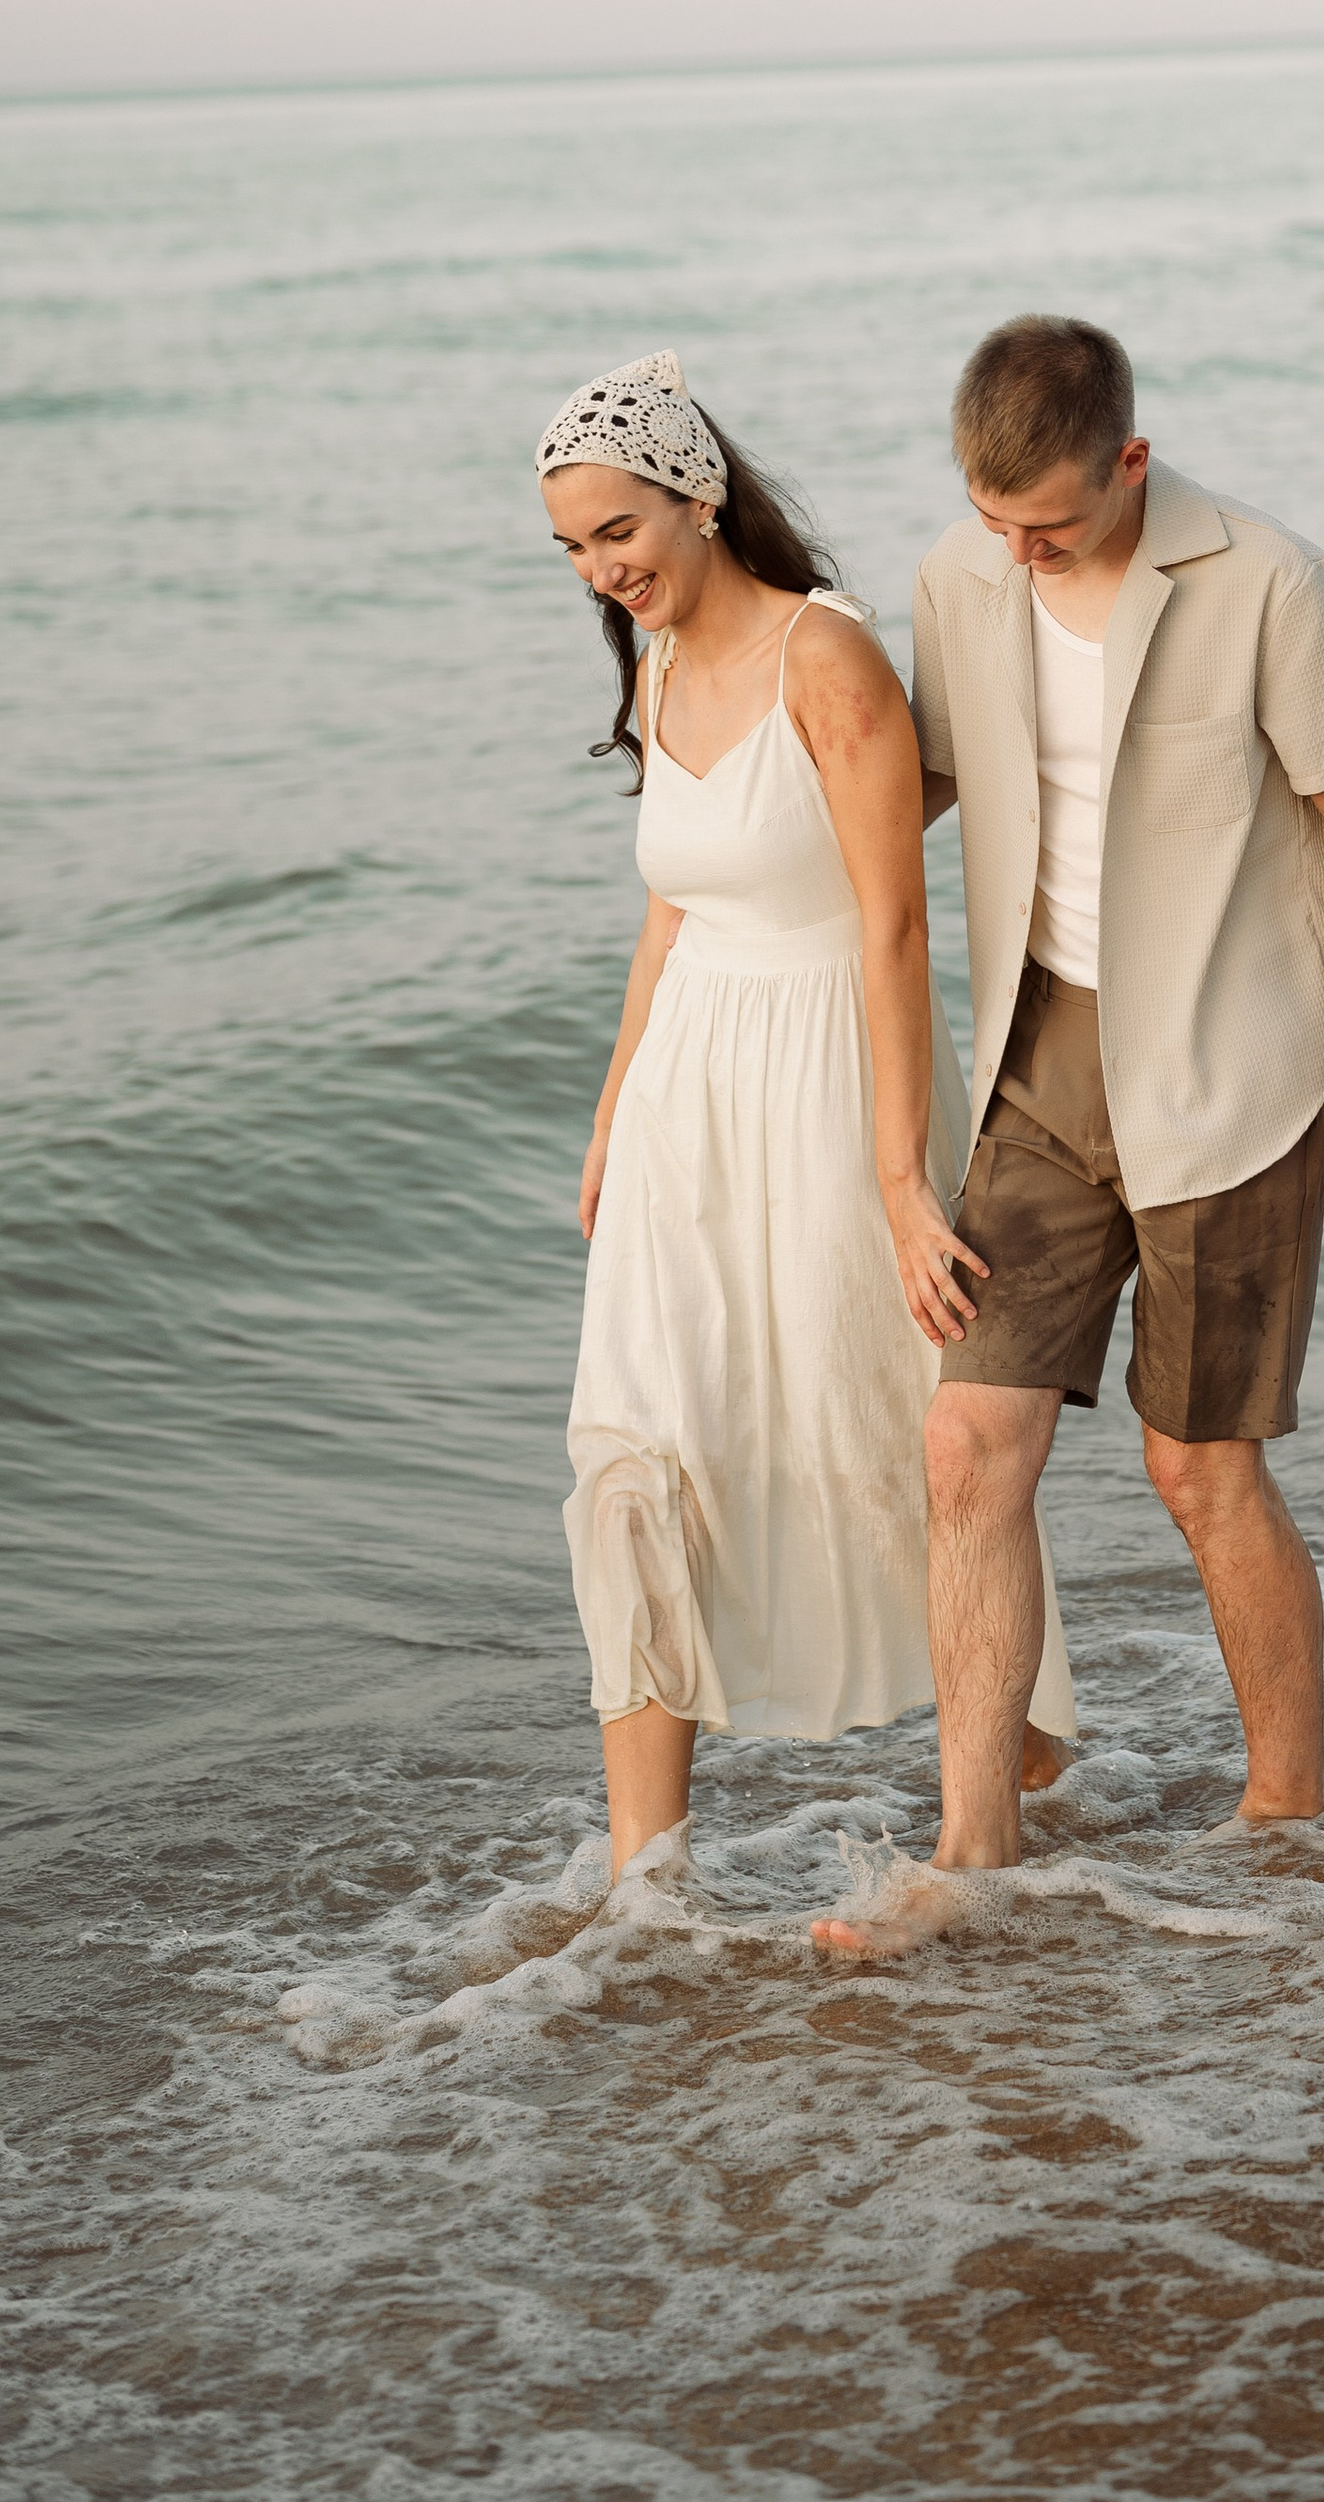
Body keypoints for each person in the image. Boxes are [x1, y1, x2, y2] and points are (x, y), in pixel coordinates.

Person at [812, 315, 1324, 1958]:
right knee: (967, 1446)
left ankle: (1287, 1815)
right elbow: (927, 780)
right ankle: (974, 1845)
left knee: (1199, 1468)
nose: (1018, 553)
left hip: (1231, 1068)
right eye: (993, 521)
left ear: (1132, 464)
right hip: (1040, 1056)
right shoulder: (964, 573)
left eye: (1053, 527)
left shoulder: (1276, 584)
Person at [539, 347, 1072, 1884]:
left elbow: (894, 927)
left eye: (618, 532)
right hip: (686, 1102)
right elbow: (669, 912)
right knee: (641, 1446)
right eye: (574, 547)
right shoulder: (652, 662)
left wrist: (905, 1181)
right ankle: (648, 1877)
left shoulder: (823, 658)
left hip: (832, 1082)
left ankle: (1020, 1758)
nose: (602, 569)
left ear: (700, 497)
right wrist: (611, 1108)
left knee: (888, 1436)